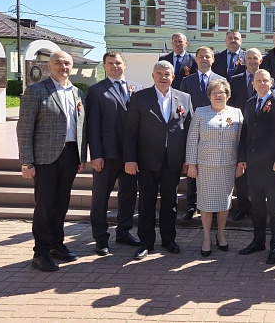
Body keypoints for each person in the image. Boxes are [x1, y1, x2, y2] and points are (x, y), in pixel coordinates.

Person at [16, 51, 87, 272]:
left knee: (61, 204)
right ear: (49, 66)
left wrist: (81, 157)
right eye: (58, 63)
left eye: (67, 63)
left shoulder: (78, 93)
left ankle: (57, 244)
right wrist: (26, 161)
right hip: (45, 158)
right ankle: (41, 253)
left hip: (70, 155)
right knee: (45, 205)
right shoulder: (36, 90)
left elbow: (81, 126)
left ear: (72, 67)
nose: (63, 66)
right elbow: (25, 127)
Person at [124, 61, 193, 260]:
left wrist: (188, 159)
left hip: (173, 161)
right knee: (146, 202)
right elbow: (129, 132)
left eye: (167, 74)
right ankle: (146, 242)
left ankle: (169, 240)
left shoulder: (184, 98)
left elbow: (189, 131)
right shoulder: (139, 97)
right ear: (153, 76)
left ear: (173, 77)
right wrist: (130, 159)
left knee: (170, 203)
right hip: (146, 161)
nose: (163, 77)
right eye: (159, 73)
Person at [86, 51, 143, 255]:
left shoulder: (137, 89)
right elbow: (92, 126)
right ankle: (101, 238)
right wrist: (96, 154)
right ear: (104, 66)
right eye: (110, 63)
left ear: (124, 65)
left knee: (128, 195)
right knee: (100, 197)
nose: (114, 66)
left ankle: (124, 232)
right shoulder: (95, 91)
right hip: (107, 154)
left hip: (130, 156)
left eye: (118, 63)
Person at [237, 70, 275, 264]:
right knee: (257, 207)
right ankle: (258, 241)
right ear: (253, 83)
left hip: (273, 166)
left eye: (265, 80)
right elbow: (244, 133)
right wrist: (242, 158)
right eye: (258, 80)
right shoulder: (250, 103)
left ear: (272, 82)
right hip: (253, 166)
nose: (261, 83)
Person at [186, 79, 243, 257]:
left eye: (222, 92)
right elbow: (192, 140)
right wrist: (191, 164)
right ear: (209, 96)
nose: (218, 95)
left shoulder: (237, 114)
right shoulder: (200, 113)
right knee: (206, 203)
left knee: (224, 203)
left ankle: (221, 234)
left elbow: (242, 142)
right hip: (205, 166)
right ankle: (206, 237)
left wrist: (241, 163)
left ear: (228, 95)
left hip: (227, 165)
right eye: (215, 92)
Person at [178, 46, 225, 221]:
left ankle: (212, 207)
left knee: (212, 172)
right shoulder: (187, 81)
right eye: (201, 57)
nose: (204, 59)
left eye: (208, 56)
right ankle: (192, 206)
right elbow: (182, 106)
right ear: (195, 59)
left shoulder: (220, 80)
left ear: (213, 59)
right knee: (193, 169)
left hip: (214, 132)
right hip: (193, 131)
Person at [228, 48, 263, 221]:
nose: (252, 61)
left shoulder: (266, 80)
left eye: (255, 58)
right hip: (240, 131)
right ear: (244, 60)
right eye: (248, 58)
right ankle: (243, 206)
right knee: (240, 172)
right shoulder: (234, 81)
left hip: (260, 134)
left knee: (257, 173)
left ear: (260, 60)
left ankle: (257, 208)